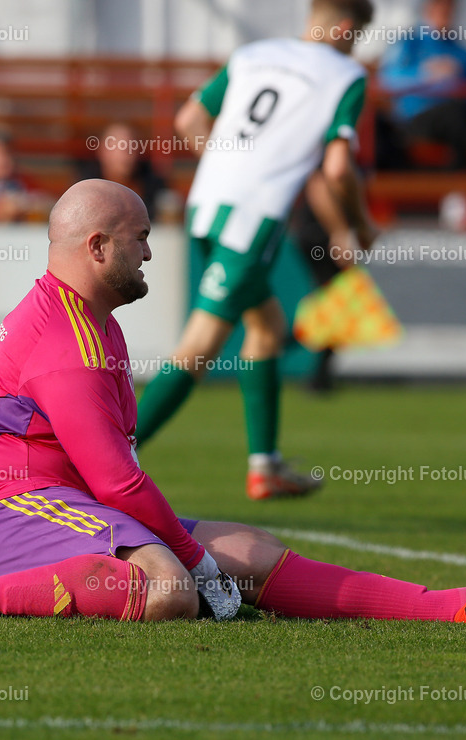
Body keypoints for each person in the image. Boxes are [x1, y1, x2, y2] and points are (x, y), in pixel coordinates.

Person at [0, 178, 466, 627]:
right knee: (171, 588)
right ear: (96, 245)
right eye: (139, 238)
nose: (149, 254)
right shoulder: (65, 337)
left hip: (58, 505)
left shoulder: (92, 319)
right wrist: (190, 558)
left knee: (252, 552)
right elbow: (117, 479)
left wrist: (199, 555)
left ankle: (461, 606)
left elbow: (109, 476)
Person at [134, 0, 378, 500]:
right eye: (357, 36)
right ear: (347, 28)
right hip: (252, 220)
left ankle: (265, 466)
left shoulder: (252, 54)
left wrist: (229, 167)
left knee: (265, 326)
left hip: (205, 206)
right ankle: (106, 460)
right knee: (200, 345)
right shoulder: (345, 74)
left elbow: (188, 120)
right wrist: (360, 223)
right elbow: (336, 169)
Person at [377, 0, 466, 184]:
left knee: (456, 122)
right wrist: (424, 74)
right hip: (415, 119)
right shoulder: (409, 43)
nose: (444, 14)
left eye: (448, 9)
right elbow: (388, 81)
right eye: (438, 7)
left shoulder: (460, 51)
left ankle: (458, 193)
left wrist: (460, 82)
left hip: (457, 121)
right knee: (454, 115)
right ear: (428, 9)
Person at [78, 122, 167, 220]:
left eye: (131, 147)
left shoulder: (153, 185)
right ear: (102, 151)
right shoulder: (85, 187)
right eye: (120, 147)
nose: (127, 155)